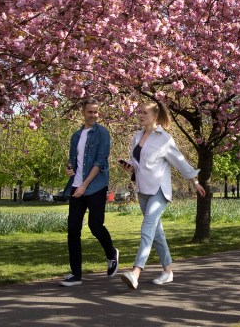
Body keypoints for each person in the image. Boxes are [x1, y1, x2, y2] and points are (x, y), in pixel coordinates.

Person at [118, 102, 206, 290]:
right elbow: (136, 161)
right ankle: (167, 272)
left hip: (159, 190)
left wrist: (195, 182)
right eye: (140, 112)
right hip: (142, 190)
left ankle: (136, 272)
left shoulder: (164, 139)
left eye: (144, 113)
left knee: (147, 227)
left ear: (155, 116)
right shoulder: (137, 136)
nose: (140, 115)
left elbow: (180, 161)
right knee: (156, 233)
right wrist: (129, 166)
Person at [60, 99, 119, 286]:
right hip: (77, 187)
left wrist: (85, 185)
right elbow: (73, 160)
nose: (93, 115)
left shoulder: (102, 133)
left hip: (95, 187)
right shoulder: (76, 136)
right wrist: (69, 169)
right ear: (83, 112)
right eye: (90, 112)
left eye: (96, 112)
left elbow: (100, 162)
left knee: (95, 226)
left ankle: (111, 253)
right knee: (73, 231)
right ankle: (76, 274)